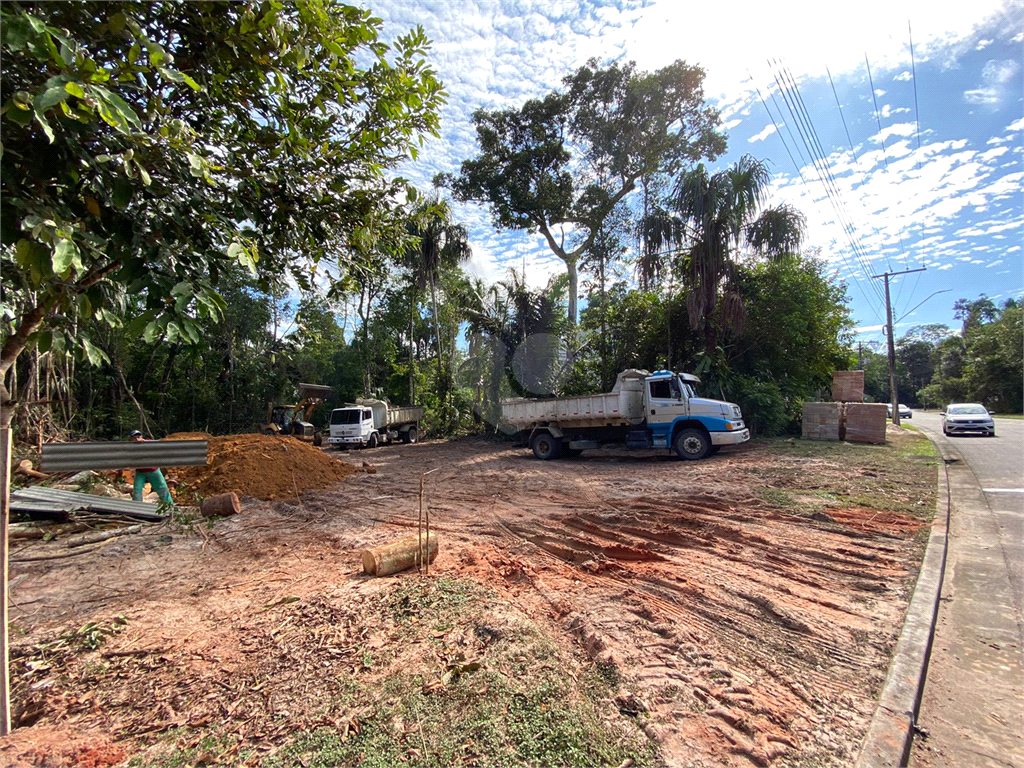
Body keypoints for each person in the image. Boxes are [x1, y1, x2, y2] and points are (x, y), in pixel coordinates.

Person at [128, 430, 174, 505]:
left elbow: (158, 445)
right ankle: (137, 509)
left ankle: (170, 507)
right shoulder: (131, 447)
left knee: (162, 488)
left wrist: (144, 442)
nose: (137, 439)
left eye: (138, 437)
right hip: (140, 472)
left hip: (153, 470)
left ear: (142, 437)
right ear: (131, 439)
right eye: (134, 438)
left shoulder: (148, 442)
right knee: (137, 491)